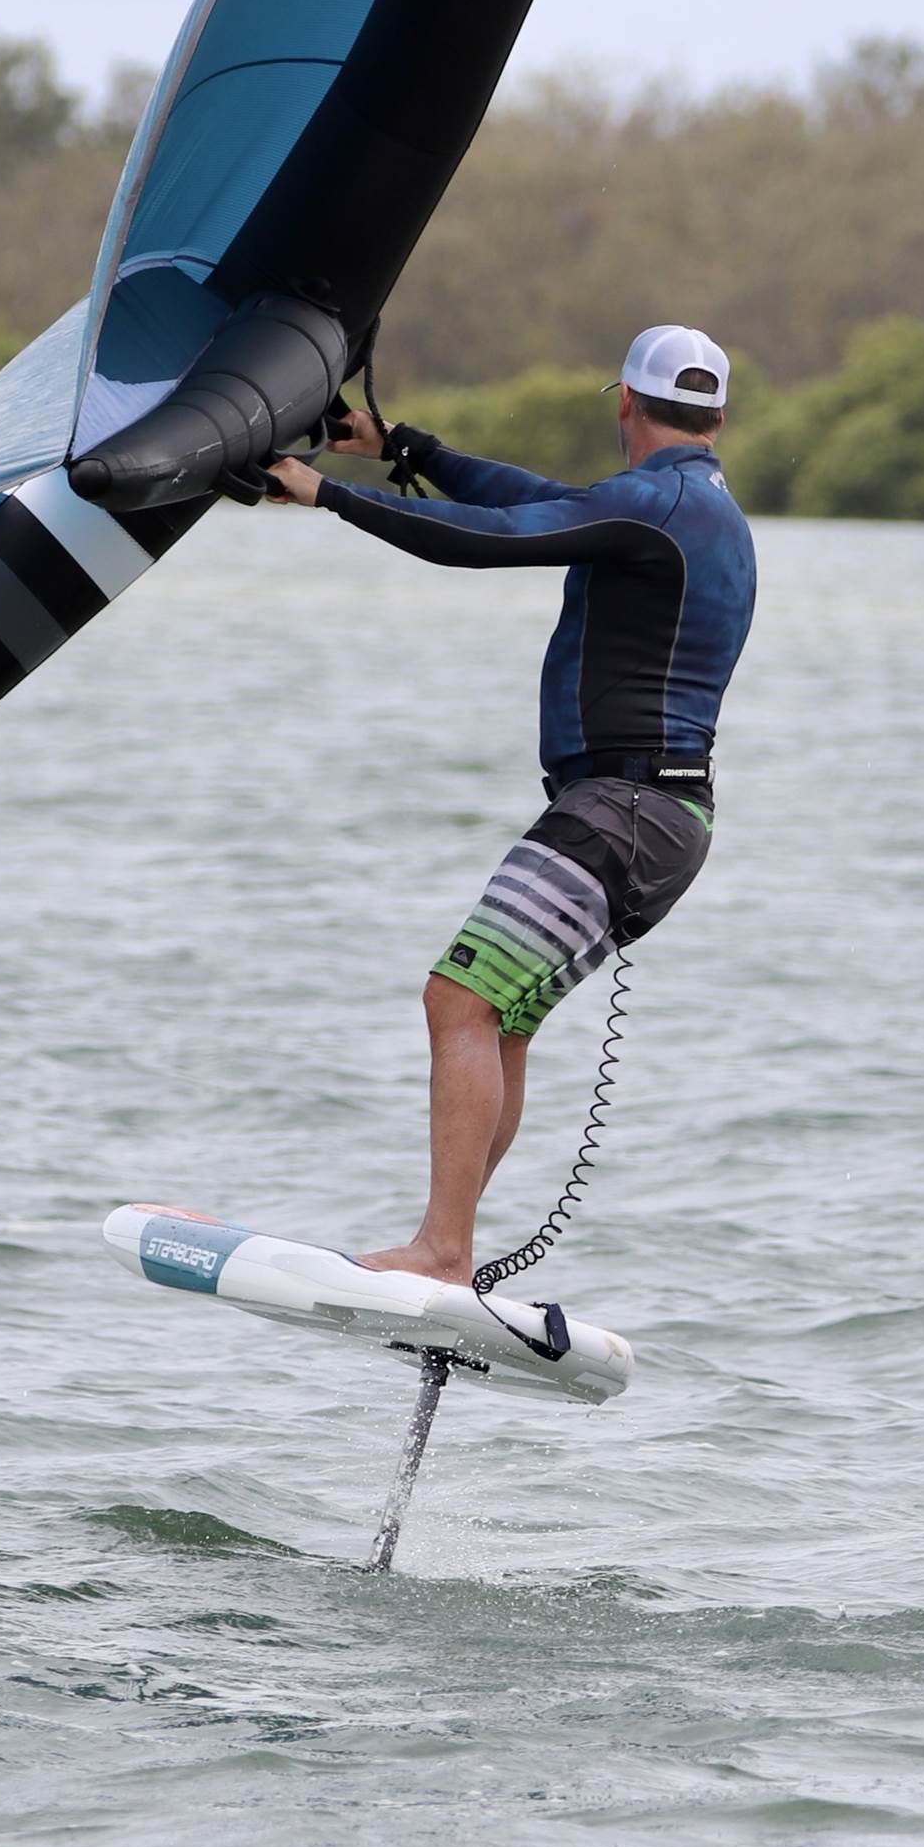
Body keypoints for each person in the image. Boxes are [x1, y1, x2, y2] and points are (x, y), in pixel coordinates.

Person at [262, 324, 756, 1285]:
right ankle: (446, 1254)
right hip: (661, 819)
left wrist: (328, 493)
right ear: (718, 418)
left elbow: (491, 537)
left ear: (624, 399)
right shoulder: (695, 508)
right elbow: (536, 500)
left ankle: (442, 1250)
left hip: (623, 811)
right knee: (502, 1019)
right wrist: (406, 449)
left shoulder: (653, 507)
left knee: (460, 998)